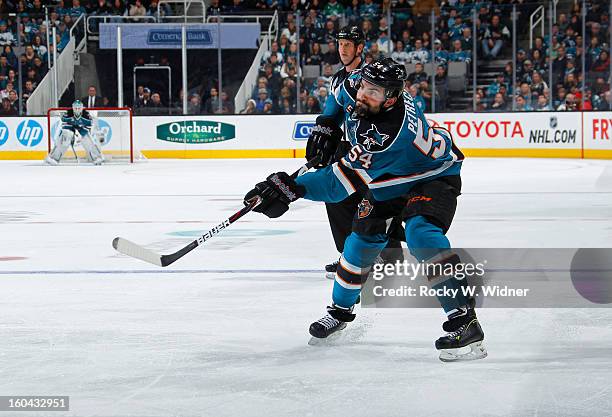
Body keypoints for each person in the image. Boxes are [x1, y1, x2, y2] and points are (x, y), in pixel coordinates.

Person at [243, 58, 485, 362]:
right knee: (359, 243)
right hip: (390, 178)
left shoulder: (389, 135)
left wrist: (291, 187)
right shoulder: (361, 85)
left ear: (392, 98)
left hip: (432, 175)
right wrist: (327, 124)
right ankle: (340, 312)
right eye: (364, 87)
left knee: (421, 233)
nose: (363, 94)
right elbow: (337, 92)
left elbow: (336, 184)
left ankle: (465, 322)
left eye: (374, 92)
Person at [310, 26, 404, 280]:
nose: (343, 49)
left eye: (348, 45)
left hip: (377, 150)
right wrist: (324, 129)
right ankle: (348, 257)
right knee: (337, 199)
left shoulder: (372, 76)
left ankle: (388, 256)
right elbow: (333, 112)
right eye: (340, 45)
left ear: (360, 48)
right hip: (350, 147)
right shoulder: (338, 78)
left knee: (376, 202)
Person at [45, 100, 104, 165]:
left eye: (79, 108)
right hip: (70, 129)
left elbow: (90, 126)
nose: (77, 110)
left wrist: (81, 132)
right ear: (73, 108)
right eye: (75, 108)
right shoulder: (68, 113)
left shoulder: (86, 115)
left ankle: (97, 157)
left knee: (87, 139)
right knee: (66, 137)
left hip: (82, 129)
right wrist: (73, 133)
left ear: (82, 108)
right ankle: (53, 158)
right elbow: (64, 125)